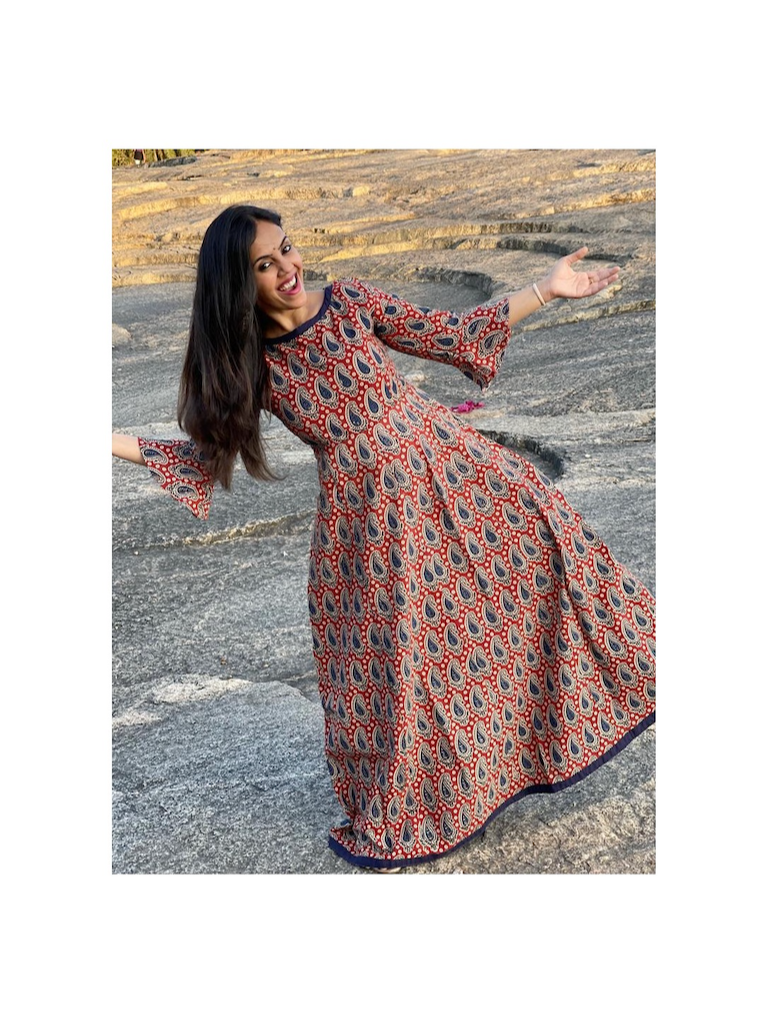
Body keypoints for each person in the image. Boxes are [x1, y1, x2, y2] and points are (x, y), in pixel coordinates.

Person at [112, 204, 655, 871]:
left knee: (550, 560)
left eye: (287, 249)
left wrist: (545, 289)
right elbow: (198, 458)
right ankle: (437, 797)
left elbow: (454, 334)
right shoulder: (252, 365)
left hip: (454, 471)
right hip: (367, 525)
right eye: (264, 265)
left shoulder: (350, 302)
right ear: (237, 283)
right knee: (400, 668)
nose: (288, 268)